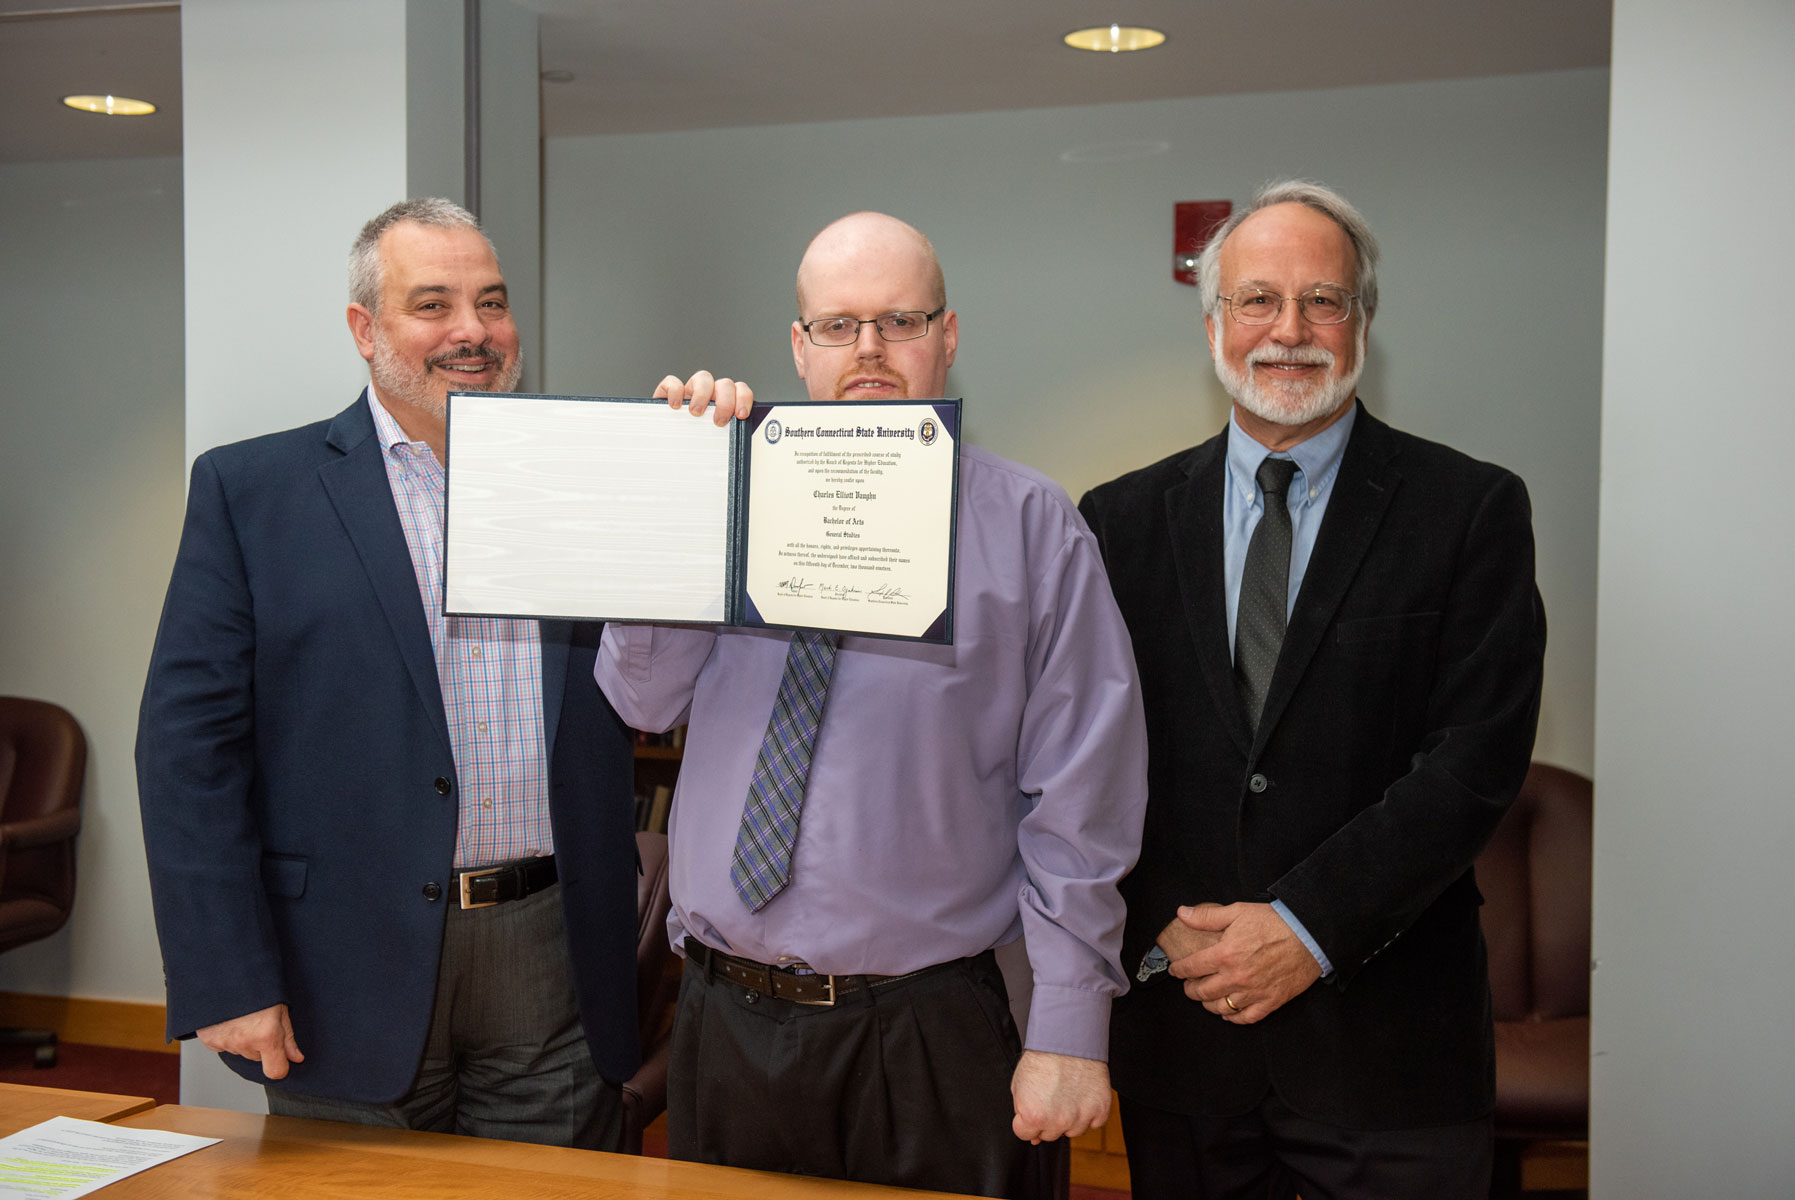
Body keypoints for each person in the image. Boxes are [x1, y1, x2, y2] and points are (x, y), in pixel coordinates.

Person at [595, 211, 1148, 1199]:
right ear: (799, 347)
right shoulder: (719, 494)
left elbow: (1083, 797)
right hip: (725, 1021)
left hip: (930, 1035)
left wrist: (1070, 1026)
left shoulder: (1032, 527)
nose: (870, 351)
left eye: (899, 320)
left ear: (948, 335)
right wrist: (674, 497)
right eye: (840, 325)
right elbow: (640, 696)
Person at [136, 198, 641, 1149]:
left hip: (552, 946)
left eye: (491, 303)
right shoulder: (252, 493)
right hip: (342, 963)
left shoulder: (585, 477)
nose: (472, 332)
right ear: (366, 329)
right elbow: (187, 755)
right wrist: (228, 975)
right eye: (434, 305)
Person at [1078, 181, 1546, 1199]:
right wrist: (1160, 913)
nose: (1289, 331)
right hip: (1185, 1037)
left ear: (1363, 323)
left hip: (1390, 1051)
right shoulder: (1117, 519)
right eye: (1258, 301)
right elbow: (1088, 753)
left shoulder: (1470, 511)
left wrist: (1304, 929)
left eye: (1323, 301)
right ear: (1214, 323)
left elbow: (1474, 761)